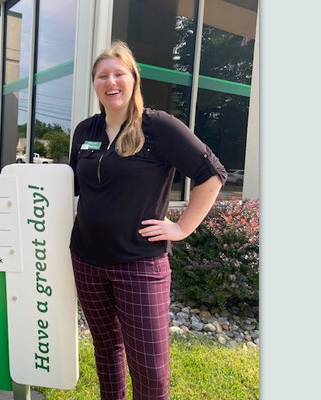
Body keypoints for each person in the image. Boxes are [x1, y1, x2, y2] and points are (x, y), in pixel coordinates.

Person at [68, 41, 227, 400]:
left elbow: (211, 173)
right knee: (107, 350)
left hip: (140, 264)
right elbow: (71, 184)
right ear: (94, 84)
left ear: (134, 79)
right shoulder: (86, 131)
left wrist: (182, 226)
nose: (111, 82)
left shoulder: (158, 127)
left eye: (119, 74)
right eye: (102, 76)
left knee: (151, 370)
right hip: (87, 260)